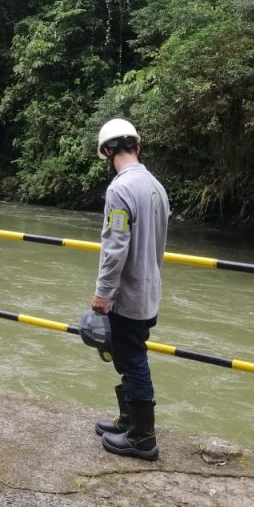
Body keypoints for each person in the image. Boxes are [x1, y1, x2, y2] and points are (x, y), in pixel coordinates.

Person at [90, 117, 170, 461]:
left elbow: (115, 247)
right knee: (127, 356)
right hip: (149, 290)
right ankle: (127, 421)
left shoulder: (120, 189)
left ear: (108, 152)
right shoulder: (155, 186)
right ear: (136, 146)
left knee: (133, 361)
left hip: (128, 294)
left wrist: (102, 294)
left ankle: (143, 438)